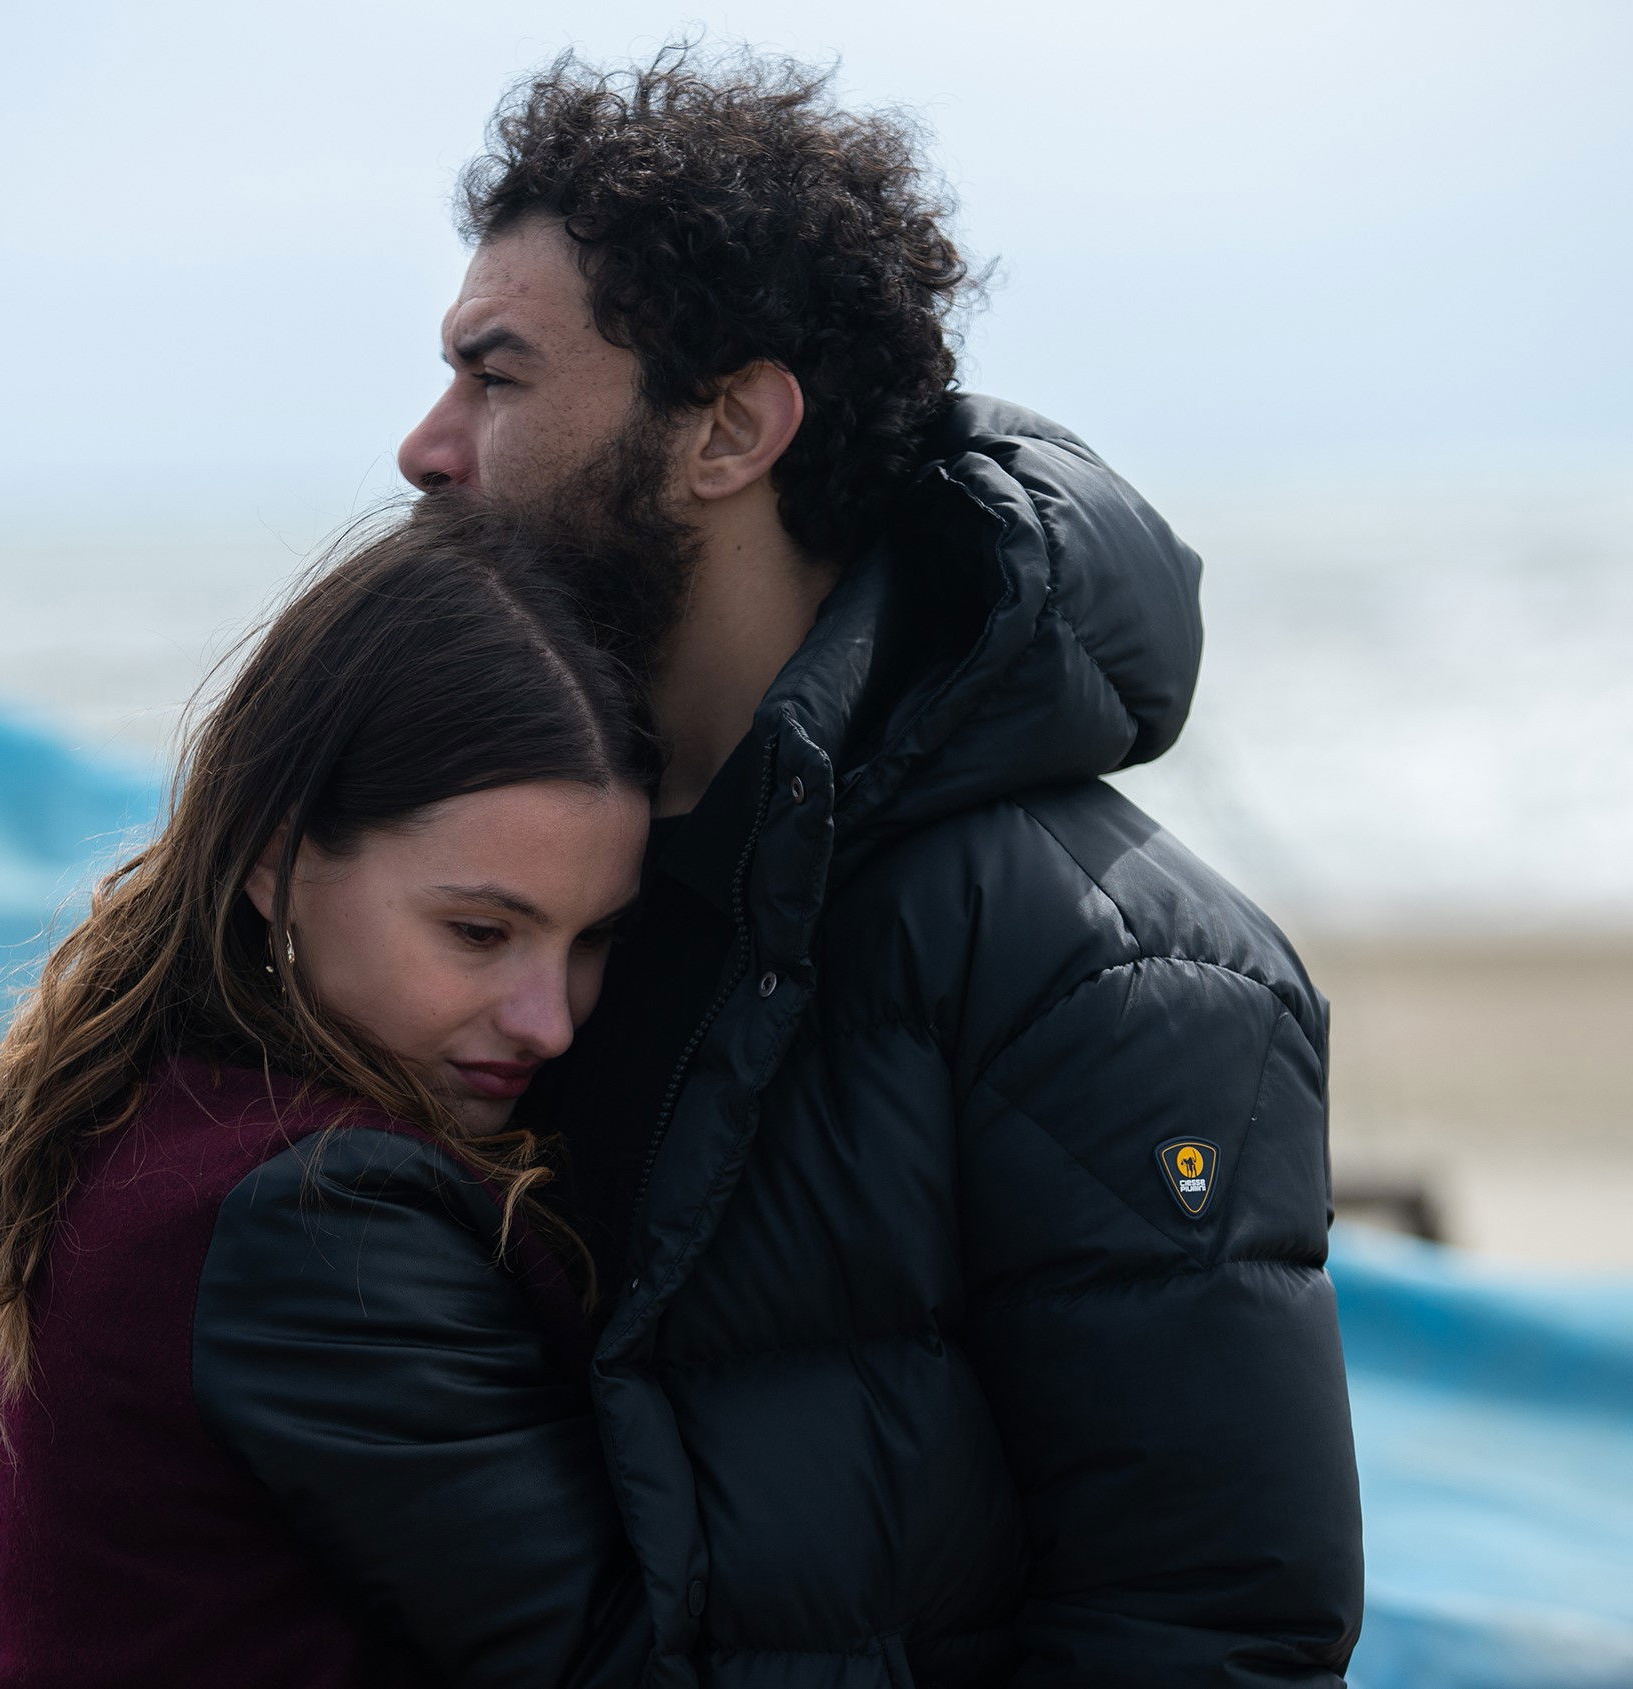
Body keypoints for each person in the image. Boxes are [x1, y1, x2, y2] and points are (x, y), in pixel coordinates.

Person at [394, 49, 1366, 1688]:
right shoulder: (514, 895)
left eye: (496, 377)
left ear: (729, 428)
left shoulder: (1110, 972)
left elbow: (1208, 1628)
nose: (426, 448)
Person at [0, 510, 658, 1688]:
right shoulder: (319, 1212)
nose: (549, 1020)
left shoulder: (149, 1108)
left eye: (593, 941)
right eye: (480, 933)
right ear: (276, 859)